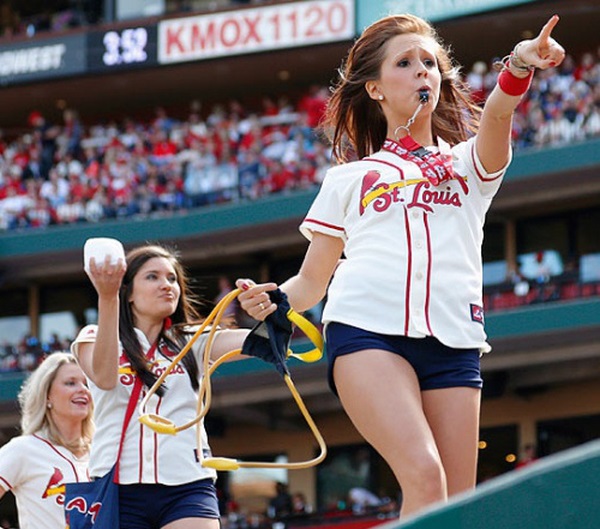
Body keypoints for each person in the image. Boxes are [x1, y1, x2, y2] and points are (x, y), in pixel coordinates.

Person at [236, 13, 565, 520]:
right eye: (405, 63)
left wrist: (520, 64)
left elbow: (497, 114)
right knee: (423, 474)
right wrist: (274, 300)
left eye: (430, 63)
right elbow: (310, 282)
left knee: (455, 509)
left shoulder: (467, 165)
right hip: (367, 333)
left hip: (455, 339)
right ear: (374, 89)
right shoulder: (350, 178)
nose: (421, 72)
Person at [72, 243, 251, 529]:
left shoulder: (194, 338)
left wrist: (272, 308)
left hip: (188, 483)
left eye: (172, 279)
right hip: (118, 486)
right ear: (128, 292)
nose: (167, 285)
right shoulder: (94, 335)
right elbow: (104, 378)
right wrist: (107, 299)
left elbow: (265, 342)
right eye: (152, 277)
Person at [0, 352, 93, 529]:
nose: (83, 389)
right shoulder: (24, 449)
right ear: (47, 395)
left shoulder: (101, 452)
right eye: (70, 383)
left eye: (87, 384)